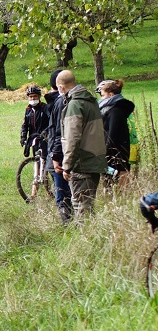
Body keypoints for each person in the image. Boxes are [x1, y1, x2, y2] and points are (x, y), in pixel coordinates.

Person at [54, 70, 107, 220]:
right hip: (95, 159)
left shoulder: (74, 105)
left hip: (82, 163)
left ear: (61, 87)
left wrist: (67, 166)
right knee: (88, 205)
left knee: (81, 207)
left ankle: (87, 234)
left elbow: (72, 138)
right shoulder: (90, 101)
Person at [45, 69, 73, 223]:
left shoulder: (59, 102)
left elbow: (57, 132)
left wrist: (55, 156)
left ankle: (68, 224)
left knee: (63, 194)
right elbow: (57, 131)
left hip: (59, 155)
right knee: (65, 193)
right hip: (63, 154)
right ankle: (69, 224)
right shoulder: (63, 101)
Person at [96, 79, 135, 185]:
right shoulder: (111, 109)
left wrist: (105, 152)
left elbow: (112, 134)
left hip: (115, 153)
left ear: (110, 94)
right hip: (114, 152)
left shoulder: (115, 111)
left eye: (103, 95)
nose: (101, 99)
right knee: (109, 183)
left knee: (114, 184)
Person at [20, 85, 50, 160]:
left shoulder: (45, 107)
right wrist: (23, 137)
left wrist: (46, 132)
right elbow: (25, 125)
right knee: (36, 159)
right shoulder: (28, 109)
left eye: (35, 96)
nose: (33, 98)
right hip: (33, 138)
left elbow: (51, 122)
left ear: (39, 97)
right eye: (30, 96)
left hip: (45, 138)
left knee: (45, 159)